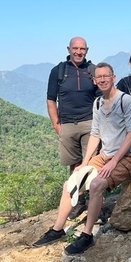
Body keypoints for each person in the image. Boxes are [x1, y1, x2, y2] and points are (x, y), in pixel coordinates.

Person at [33, 63, 131, 253]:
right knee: (71, 183)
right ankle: (57, 228)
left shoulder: (125, 101)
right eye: (98, 77)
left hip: (128, 156)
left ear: (113, 77)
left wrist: (115, 161)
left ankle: (87, 235)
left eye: (106, 76)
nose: (102, 80)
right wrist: (84, 163)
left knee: (96, 185)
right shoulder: (98, 103)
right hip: (105, 154)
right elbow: (95, 134)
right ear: (94, 80)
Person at [46, 36, 98, 219]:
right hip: (66, 123)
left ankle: (94, 202)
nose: (78, 52)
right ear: (68, 49)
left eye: (82, 49)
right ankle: (78, 200)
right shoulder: (58, 71)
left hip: (89, 122)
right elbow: (51, 99)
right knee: (74, 164)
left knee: (92, 163)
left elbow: (101, 98)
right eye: (75, 48)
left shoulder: (92, 70)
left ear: (87, 50)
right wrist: (56, 125)